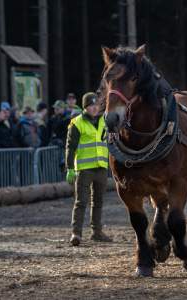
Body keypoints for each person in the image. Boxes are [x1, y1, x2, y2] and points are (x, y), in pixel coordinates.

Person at [65, 92, 111, 246]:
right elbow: (70, 147)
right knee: (81, 202)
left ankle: (96, 232)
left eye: (96, 105)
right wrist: (70, 168)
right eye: (91, 105)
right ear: (85, 107)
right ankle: (76, 234)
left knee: (98, 201)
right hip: (84, 169)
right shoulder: (76, 123)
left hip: (101, 167)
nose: (94, 108)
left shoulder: (105, 120)